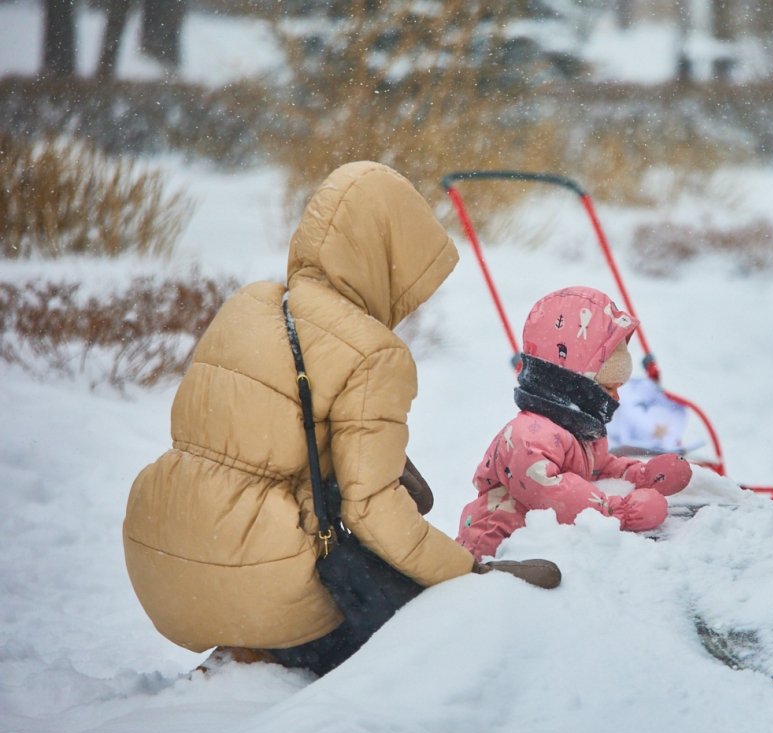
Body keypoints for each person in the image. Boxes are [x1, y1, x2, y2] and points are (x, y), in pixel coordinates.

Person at [123, 161, 558, 678]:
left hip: (158, 561)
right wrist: (469, 573)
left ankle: (242, 647)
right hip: (257, 577)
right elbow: (373, 511)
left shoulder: (250, 305)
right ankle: (271, 644)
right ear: (387, 257)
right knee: (422, 634)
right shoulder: (373, 352)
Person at [457, 286, 693, 560]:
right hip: (491, 553)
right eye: (608, 387)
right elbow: (555, 493)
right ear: (575, 385)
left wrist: (640, 476)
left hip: (540, 554)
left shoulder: (578, 431)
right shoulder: (527, 436)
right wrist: (620, 512)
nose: (616, 397)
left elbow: (598, 468)